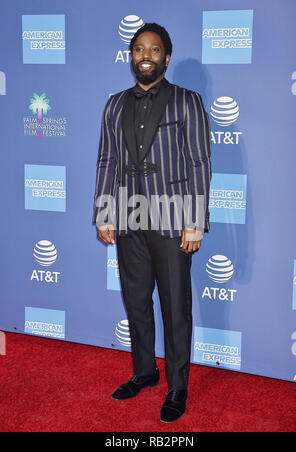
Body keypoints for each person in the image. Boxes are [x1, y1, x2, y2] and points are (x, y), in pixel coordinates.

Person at [93, 23, 211, 423]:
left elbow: (199, 161)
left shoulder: (187, 101)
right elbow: (107, 160)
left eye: (154, 49)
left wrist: (194, 220)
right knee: (137, 302)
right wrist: (105, 212)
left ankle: (177, 387)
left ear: (166, 56)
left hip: (173, 217)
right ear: (131, 56)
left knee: (175, 308)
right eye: (139, 49)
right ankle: (145, 372)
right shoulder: (114, 104)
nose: (146, 55)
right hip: (128, 215)